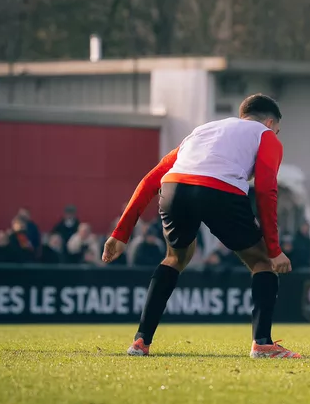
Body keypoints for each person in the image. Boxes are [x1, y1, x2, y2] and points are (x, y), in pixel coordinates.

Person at [102, 94, 297, 359]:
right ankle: (262, 343)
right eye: (277, 129)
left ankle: (140, 342)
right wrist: (274, 249)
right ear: (271, 122)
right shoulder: (265, 135)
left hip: (174, 188)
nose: (276, 133)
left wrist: (120, 233)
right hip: (220, 191)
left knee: (175, 258)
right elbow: (266, 190)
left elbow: (150, 180)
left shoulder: (202, 131)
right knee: (262, 262)